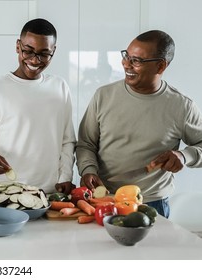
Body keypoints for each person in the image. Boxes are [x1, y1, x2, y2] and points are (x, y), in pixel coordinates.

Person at [76, 30, 202, 217]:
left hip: (152, 204)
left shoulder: (182, 106)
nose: (126, 64)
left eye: (136, 61)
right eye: (126, 56)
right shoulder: (103, 96)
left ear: (160, 66)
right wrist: (88, 169)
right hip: (102, 200)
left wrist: (184, 156)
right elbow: (86, 143)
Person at [0, 18, 76, 194]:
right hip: (8, 192)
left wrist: (65, 176)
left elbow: (67, 140)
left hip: (51, 193)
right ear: (18, 46)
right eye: (28, 51)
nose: (35, 60)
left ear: (53, 51)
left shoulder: (60, 87)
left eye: (44, 54)